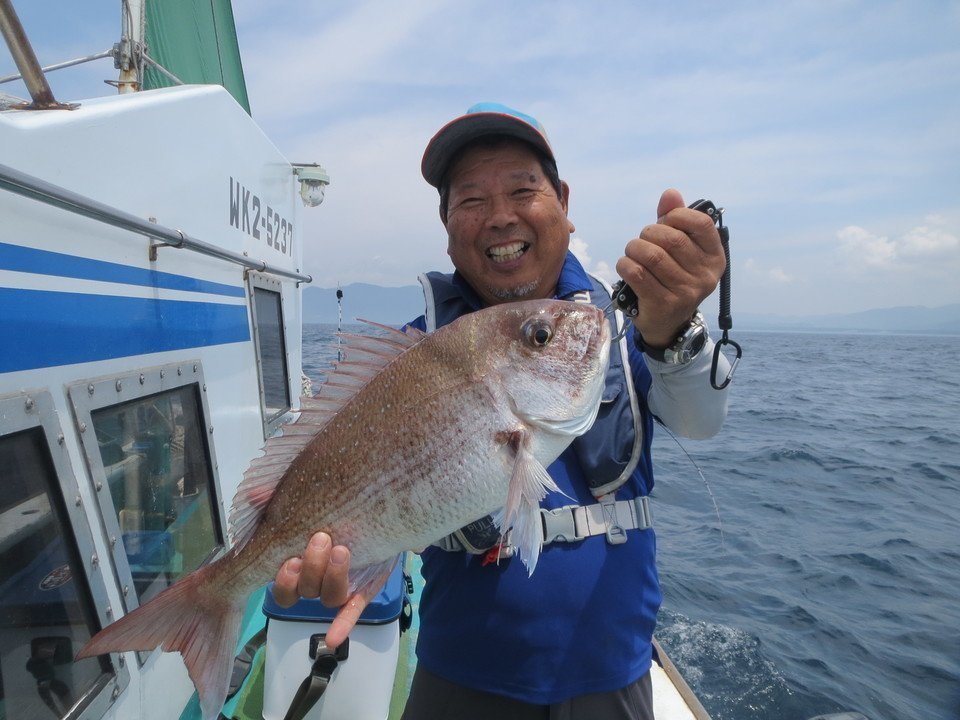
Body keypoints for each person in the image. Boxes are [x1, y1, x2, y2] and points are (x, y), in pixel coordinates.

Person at [272, 102, 731, 719]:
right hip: (460, 679)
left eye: (523, 189)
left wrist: (674, 328)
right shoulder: (408, 357)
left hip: (613, 676)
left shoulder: (624, 327)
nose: (500, 217)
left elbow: (701, 420)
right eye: (470, 201)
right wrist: (343, 561)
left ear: (563, 203)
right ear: (447, 223)